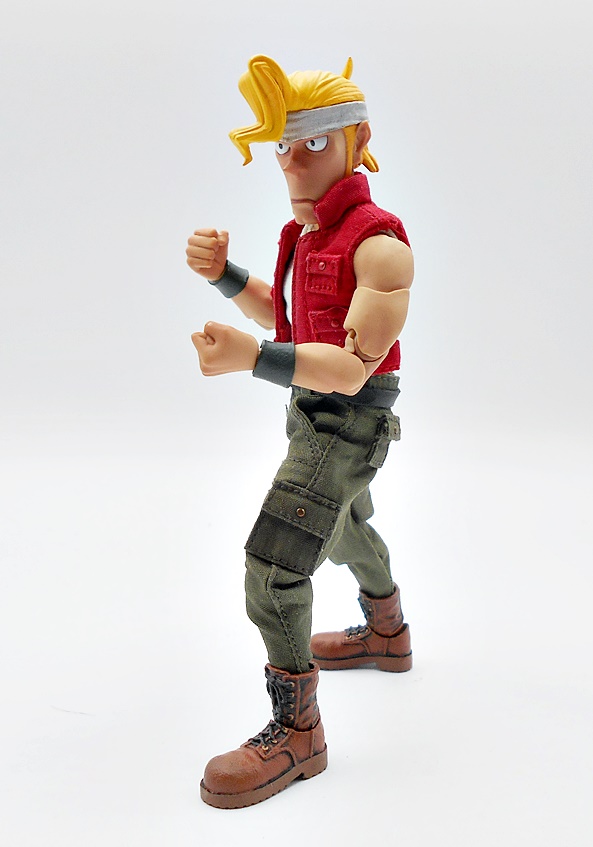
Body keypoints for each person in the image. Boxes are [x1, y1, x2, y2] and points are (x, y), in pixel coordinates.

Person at [186, 54, 414, 809]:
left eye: (313, 142)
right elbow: (285, 314)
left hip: (345, 423)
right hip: (311, 413)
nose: (291, 160)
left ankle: (298, 733)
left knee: (274, 564)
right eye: (284, 145)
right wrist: (226, 274)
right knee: (344, 529)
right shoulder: (305, 235)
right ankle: (387, 633)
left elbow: (349, 370)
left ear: (357, 141)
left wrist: (252, 359)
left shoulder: (380, 247)